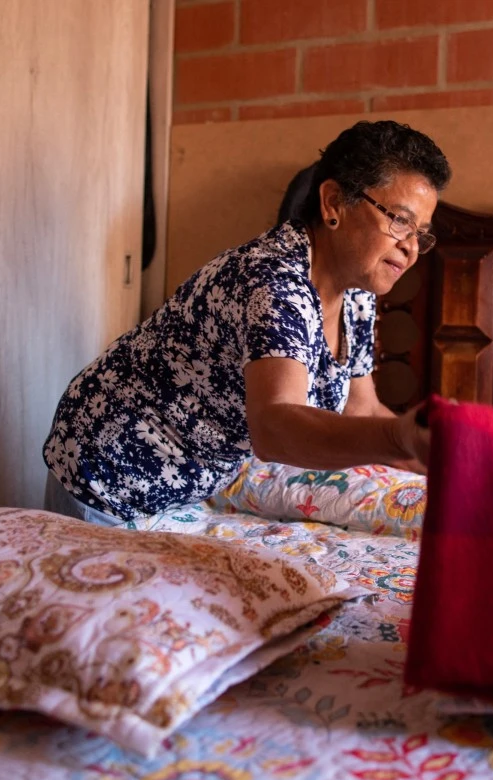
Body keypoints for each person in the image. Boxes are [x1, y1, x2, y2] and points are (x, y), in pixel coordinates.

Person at [42, 120, 450, 525]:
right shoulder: (271, 279)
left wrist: (447, 459)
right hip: (110, 465)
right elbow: (274, 426)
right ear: (333, 204)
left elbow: (362, 408)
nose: (411, 247)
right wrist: (401, 437)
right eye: (400, 220)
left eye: (421, 234)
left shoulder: (357, 295)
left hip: (185, 478)